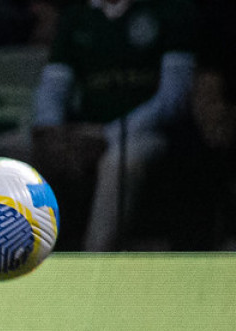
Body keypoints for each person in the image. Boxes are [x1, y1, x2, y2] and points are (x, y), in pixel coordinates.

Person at [31, 0, 195, 251]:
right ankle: (15, 263)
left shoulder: (170, 10)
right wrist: (51, 131)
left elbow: (174, 97)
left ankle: (95, 263)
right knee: (9, 150)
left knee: (118, 163)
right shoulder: (77, 15)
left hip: (148, 133)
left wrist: (109, 134)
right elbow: (54, 86)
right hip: (84, 131)